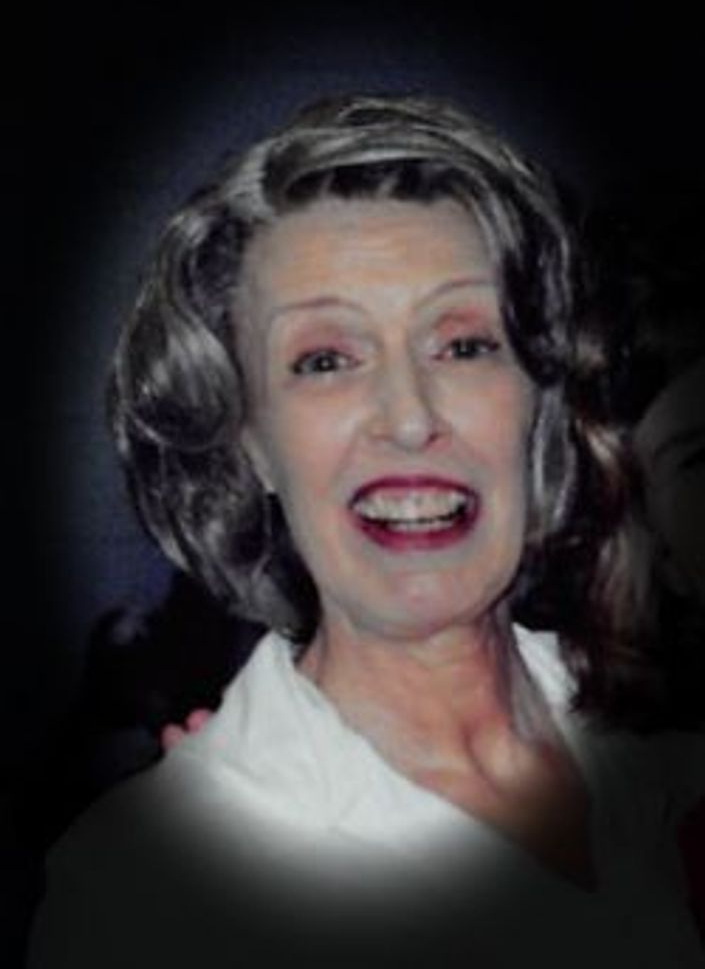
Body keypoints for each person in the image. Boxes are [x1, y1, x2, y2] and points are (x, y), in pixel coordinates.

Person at [28, 94, 705, 967]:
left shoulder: (657, 738)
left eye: (463, 345)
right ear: (247, 440)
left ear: (538, 401)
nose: (409, 418)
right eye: (325, 361)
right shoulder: (141, 891)